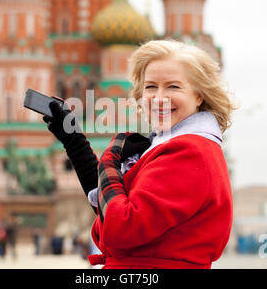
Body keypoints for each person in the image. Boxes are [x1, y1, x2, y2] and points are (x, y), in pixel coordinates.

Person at [43, 39, 236, 269]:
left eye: (173, 87)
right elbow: (108, 207)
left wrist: (110, 159)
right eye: (151, 86)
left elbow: (122, 227)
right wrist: (74, 140)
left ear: (199, 96)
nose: (159, 97)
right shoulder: (169, 146)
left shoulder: (189, 152)